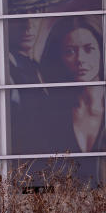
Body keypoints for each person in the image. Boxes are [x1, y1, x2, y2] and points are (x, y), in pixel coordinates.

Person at [36, 16, 104, 176]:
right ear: (59, 58)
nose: (80, 59)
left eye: (89, 49)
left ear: (102, 51)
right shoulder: (49, 114)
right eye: (70, 51)